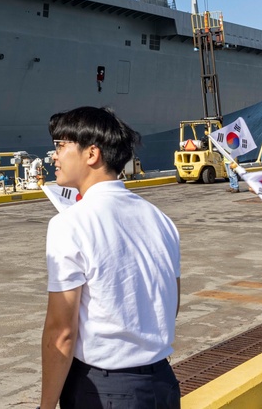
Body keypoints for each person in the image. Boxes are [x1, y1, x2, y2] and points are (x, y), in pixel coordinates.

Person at [41, 106, 180, 409]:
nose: (54, 156)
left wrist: (46, 405)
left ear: (91, 154)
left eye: (61, 146)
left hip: (104, 391)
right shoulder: (160, 219)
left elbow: (61, 331)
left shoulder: (70, 223)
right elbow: (172, 301)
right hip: (162, 384)